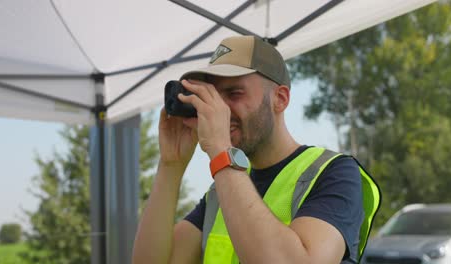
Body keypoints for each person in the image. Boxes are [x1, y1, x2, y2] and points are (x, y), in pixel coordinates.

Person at [132, 35, 380, 264]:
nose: (219, 109)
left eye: (233, 93)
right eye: (213, 97)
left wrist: (221, 150)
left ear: (280, 99)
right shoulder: (220, 193)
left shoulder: (333, 173)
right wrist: (171, 166)